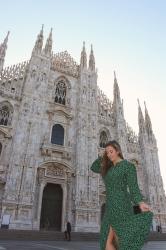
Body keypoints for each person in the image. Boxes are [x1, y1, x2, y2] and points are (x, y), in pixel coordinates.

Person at [90, 140, 154, 250]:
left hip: (122, 205)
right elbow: (94, 167)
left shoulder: (128, 166)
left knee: (120, 242)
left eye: (111, 151)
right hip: (110, 206)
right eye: (107, 153)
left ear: (118, 151)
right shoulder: (108, 168)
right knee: (107, 242)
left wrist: (140, 202)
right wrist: (102, 155)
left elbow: (133, 188)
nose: (109, 155)